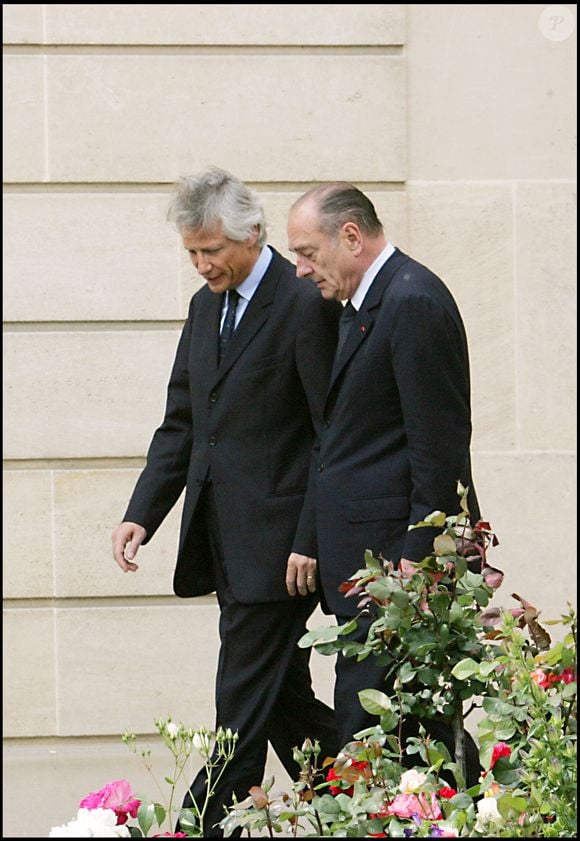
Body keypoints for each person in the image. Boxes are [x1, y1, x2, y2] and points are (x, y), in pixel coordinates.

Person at [112, 168, 341, 836]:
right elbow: (183, 422)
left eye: (212, 249)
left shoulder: (302, 303)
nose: (202, 263)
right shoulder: (203, 306)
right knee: (284, 702)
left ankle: (195, 827)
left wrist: (310, 537)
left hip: (281, 553)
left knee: (238, 707)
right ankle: (388, 806)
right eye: (192, 251)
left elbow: (330, 433)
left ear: (254, 233)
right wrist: (140, 513)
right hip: (225, 544)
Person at [286, 182, 482, 785]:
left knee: (377, 735)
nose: (299, 270)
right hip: (364, 568)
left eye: (307, 252)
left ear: (350, 236)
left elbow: (439, 450)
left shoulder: (413, 300)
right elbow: (343, 443)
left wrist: (415, 566)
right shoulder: (363, 305)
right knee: (411, 734)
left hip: (395, 570)